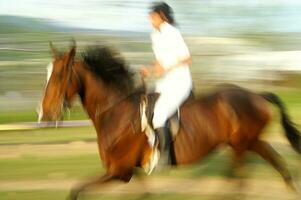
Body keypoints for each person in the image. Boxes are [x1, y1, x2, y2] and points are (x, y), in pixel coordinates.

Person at [141, 2, 193, 167]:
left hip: (180, 81)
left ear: (162, 16)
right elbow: (159, 63)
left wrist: (166, 68)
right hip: (164, 83)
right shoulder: (154, 36)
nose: (150, 19)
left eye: (153, 16)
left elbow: (187, 59)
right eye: (150, 16)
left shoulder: (173, 32)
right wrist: (149, 70)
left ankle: (166, 157)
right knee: (145, 109)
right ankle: (152, 150)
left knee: (159, 115)